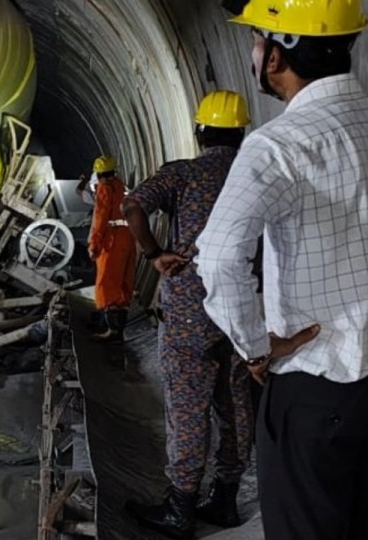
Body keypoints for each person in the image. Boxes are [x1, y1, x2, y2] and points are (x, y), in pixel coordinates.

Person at [195, 1, 368, 539]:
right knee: (362, 526)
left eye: (257, 41)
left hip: (315, 392)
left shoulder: (277, 147)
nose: (253, 53)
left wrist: (255, 344)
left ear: (277, 55)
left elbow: (217, 255)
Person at [121, 90, 254, 540]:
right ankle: (226, 497)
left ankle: (180, 505)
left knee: (187, 405)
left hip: (189, 310)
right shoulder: (256, 171)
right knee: (234, 402)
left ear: (200, 131)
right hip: (243, 307)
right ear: (242, 132)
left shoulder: (184, 173)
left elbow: (133, 205)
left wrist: (155, 254)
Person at [88, 155, 136, 341]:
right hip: (128, 236)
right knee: (123, 282)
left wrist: (94, 244)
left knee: (107, 282)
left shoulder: (105, 188)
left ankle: (111, 330)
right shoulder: (121, 186)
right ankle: (117, 327)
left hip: (112, 238)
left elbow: (100, 218)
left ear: (99, 174)